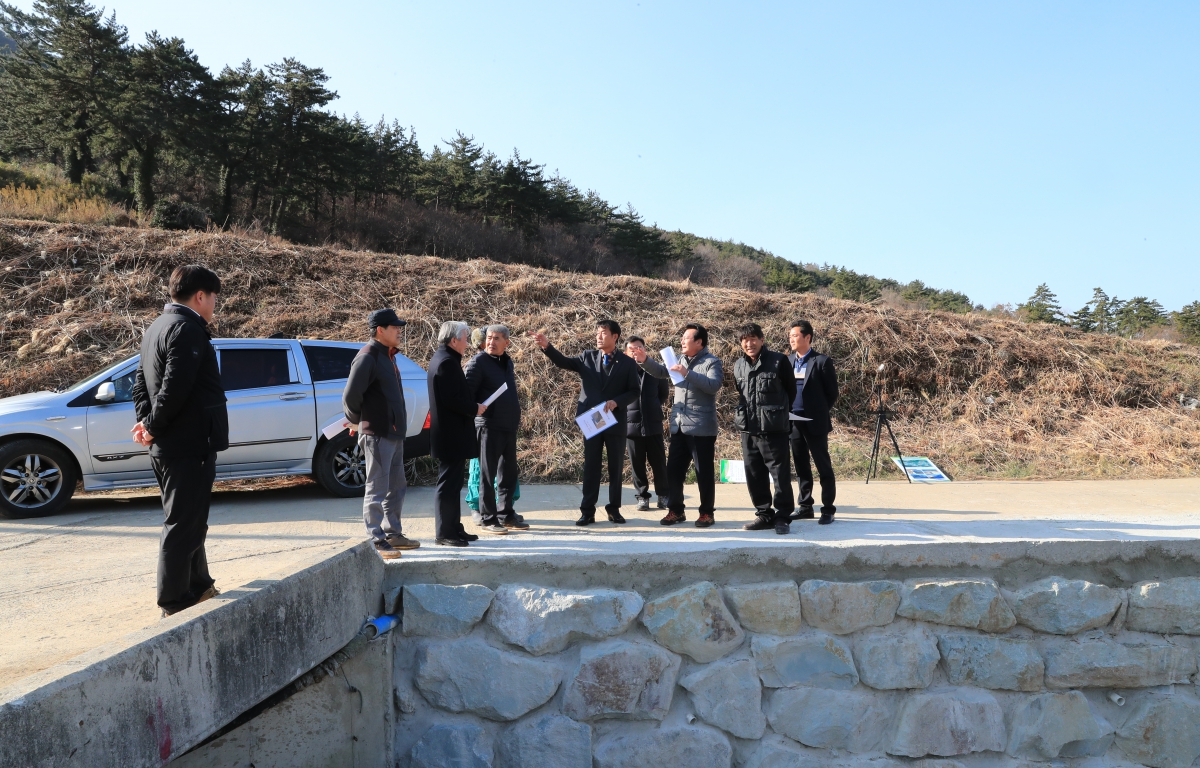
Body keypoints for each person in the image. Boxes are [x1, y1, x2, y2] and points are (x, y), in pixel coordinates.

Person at [131, 264, 228, 617]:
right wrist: (153, 426)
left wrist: (146, 423)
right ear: (200, 296)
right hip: (186, 444)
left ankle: (199, 585)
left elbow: (140, 382)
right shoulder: (186, 329)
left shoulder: (156, 327)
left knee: (191, 519)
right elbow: (175, 386)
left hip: (172, 443)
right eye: (214, 297)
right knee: (181, 523)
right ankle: (174, 602)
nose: (215, 304)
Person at [531, 320, 640, 525]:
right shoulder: (587, 357)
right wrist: (547, 346)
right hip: (593, 421)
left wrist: (617, 402)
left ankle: (614, 509)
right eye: (597, 333)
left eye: (603, 333)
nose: (599, 336)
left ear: (615, 337)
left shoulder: (627, 363)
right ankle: (587, 511)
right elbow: (563, 362)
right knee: (591, 466)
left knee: (615, 467)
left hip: (615, 421)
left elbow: (635, 391)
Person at [630, 323, 724, 527]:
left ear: (699, 342)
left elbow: (713, 386)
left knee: (703, 473)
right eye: (682, 338)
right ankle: (676, 510)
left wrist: (687, 373)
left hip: (702, 428)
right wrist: (645, 360)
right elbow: (662, 372)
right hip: (679, 425)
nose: (682, 341)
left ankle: (707, 513)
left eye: (686, 338)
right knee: (672, 471)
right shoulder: (680, 359)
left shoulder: (711, 362)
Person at [343, 308, 419, 559]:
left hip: (394, 433)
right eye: (395, 327)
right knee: (377, 486)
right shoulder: (367, 357)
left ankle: (392, 533)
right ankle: (376, 538)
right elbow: (351, 396)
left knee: (397, 486)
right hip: (377, 433)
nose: (399, 331)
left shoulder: (389, 355)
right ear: (380, 330)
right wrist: (356, 421)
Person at [732, 323, 797, 535]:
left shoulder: (779, 361)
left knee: (779, 473)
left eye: (753, 339)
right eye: (745, 340)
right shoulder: (738, 365)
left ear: (762, 339)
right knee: (754, 472)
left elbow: (790, 392)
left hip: (773, 429)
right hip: (748, 429)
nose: (749, 344)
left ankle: (783, 516)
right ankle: (764, 514)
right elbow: (739, 391)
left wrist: (774, 414)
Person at [465, 325, 527, 533]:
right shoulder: (478, 362)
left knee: (507, 473)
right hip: (488, 426)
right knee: (487, 473)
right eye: (489, 338)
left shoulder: (506, 362)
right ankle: (488, 518)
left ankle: (506, 513)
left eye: (497, 338)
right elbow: (467, 396)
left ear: (506, 343)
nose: (491, 342)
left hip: (508, 426)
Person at [427, 321, 484, 547]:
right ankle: (444, 533)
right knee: (447, 484)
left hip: (451, 434)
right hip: (450, 435)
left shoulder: (445, 359)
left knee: (453, 484)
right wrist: (475, 408)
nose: (467, 344)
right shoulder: (446, 363)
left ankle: (454, 527)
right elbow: (451, 399)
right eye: (464, 339)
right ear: (453, 340)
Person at [786, 319, 840, 525]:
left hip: (815, 422)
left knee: (823, 466)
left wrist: (818, 412)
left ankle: (828, 508)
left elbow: (832, 393)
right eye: (790, 336)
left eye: (795, 336)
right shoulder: (789, 361)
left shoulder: (821, 361)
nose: (791, 339)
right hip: (793, 422)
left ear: (807, 337)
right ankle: (805, 506)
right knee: (801, 466)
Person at [624, 335, 669, 512]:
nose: (636, 351)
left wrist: (653, 408)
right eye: (632, 349)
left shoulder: (655, 370)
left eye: (639, 347)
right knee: (637, 464)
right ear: (625, 352)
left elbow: (663, 395)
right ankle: (642, 497)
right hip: (631, 426)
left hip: (653, 424)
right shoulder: (622, 372)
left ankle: (664, 496)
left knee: (659, 463)